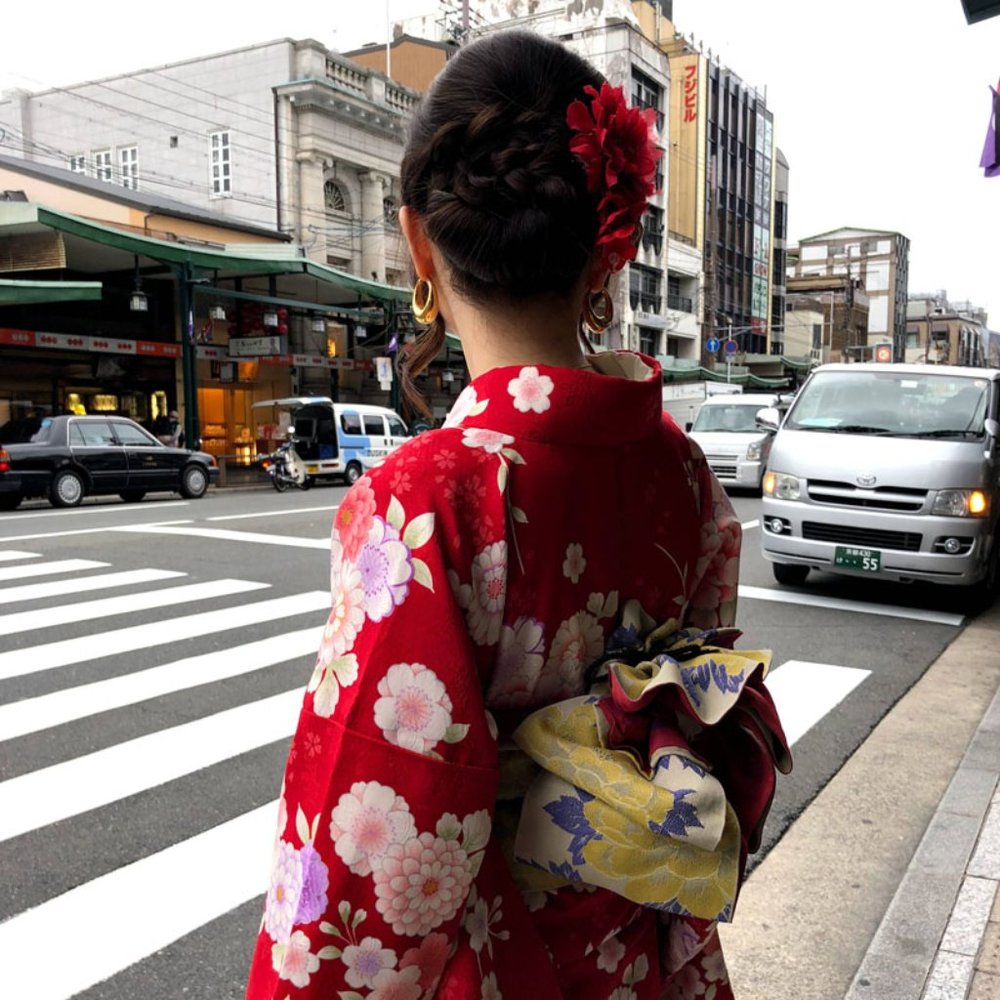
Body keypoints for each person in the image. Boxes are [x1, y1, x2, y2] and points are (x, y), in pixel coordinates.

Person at [245, 30, 789, 1000]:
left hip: (503, 963)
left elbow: (379, 838)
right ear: (607, 247)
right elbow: (696, 721)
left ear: (419, 241)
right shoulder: (686, 480)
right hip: (642, 959)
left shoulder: (428, 501)